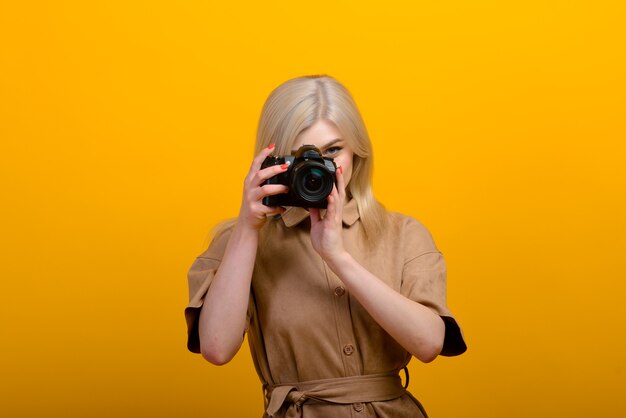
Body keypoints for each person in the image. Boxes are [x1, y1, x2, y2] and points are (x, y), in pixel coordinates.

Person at [184, 75, 467, 418]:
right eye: (302, 155)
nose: (318, 168)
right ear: (272, 162)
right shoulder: (241, 242)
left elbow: (429, 344)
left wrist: (338, 256)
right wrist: (247, 226)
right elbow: (216, 348)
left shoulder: (403, 233)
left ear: (357, 151)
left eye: (333, 151)